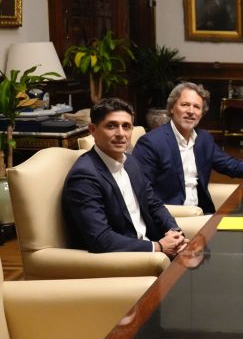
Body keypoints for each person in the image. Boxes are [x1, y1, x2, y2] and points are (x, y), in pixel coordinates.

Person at [132, 82, 243, 214]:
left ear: (202, 113)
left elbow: (231, 165)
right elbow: (143, 192)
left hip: (200, 213)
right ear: (172, 108)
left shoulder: (203, 139)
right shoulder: (152, 142)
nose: (191, 111)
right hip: (170, 217)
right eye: (185, 105)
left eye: (196, 107)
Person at [63, 98, 187, 257]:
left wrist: (174, 232)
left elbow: (154, 204)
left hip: (153, 248)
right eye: (111, 126)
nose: (121, 134)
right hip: (123, 260)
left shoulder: (131, 161)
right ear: (93, 130)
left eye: (126, 126)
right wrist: (158, 247)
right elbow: (100, 239)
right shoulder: (84, 176)